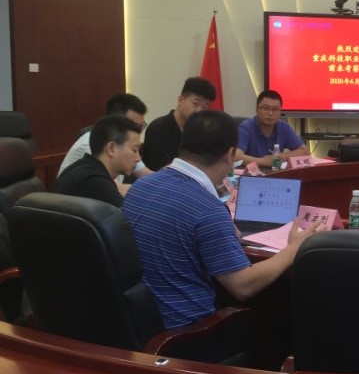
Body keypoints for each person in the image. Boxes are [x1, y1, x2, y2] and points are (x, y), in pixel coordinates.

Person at [122, 110, 322, 329]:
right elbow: (243, 286)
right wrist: (294, 249)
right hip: (188, 331)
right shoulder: (208, 209)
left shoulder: (140, 187)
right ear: (229, 155)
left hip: (136, 323)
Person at [59, 93, 150, 193]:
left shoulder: (127, 146)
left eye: (141, 126)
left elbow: (146, 174)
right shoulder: (91, 144)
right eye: (134, 126)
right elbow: (114, 189)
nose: (138, 131)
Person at [51, 115, 142, 208]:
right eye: (134, 150)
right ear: (111, 149)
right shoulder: (97, 183)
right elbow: (126, 216)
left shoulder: (78, 168)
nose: (138, 158)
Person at [143, 77, 216, 171]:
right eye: (195, 104)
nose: (199, 111)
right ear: (181, 100)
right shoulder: (157, 128)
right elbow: (165, 169)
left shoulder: (199, 131)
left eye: (204, 107)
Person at [235, 90, 309, 166]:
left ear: (280, 112)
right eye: (266, 108)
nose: (270, 113)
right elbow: (235, 156)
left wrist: (280, 156)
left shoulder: (283, 127)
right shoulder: (246, 128)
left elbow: (304, 152)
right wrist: (263, 161)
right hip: (250, 172)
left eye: (275, 109)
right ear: (257, 110)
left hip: (276, 171)